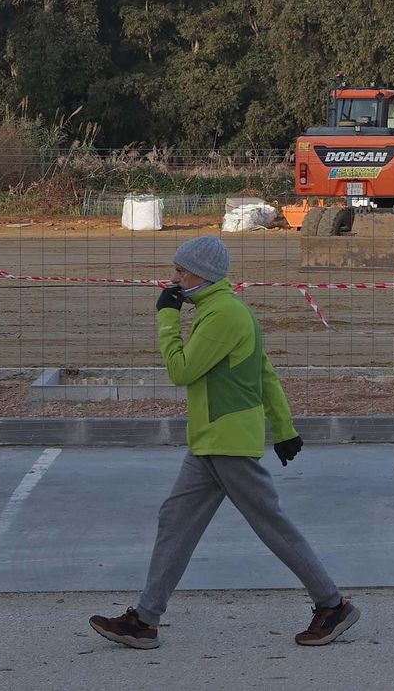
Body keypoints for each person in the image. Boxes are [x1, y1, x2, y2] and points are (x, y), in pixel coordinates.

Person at [89, 235, 358, 651]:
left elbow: (182, 371)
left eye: (181, 271)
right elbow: (264, 373)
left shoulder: (224, 315)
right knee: (174, 522)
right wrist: (284, 429)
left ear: (204, 274)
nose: (173, 279)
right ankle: (144, 619)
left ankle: (332, 605)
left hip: (227, 441)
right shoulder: (222, 310)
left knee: (272, 526)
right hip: (210, 442)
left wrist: (165, 319)